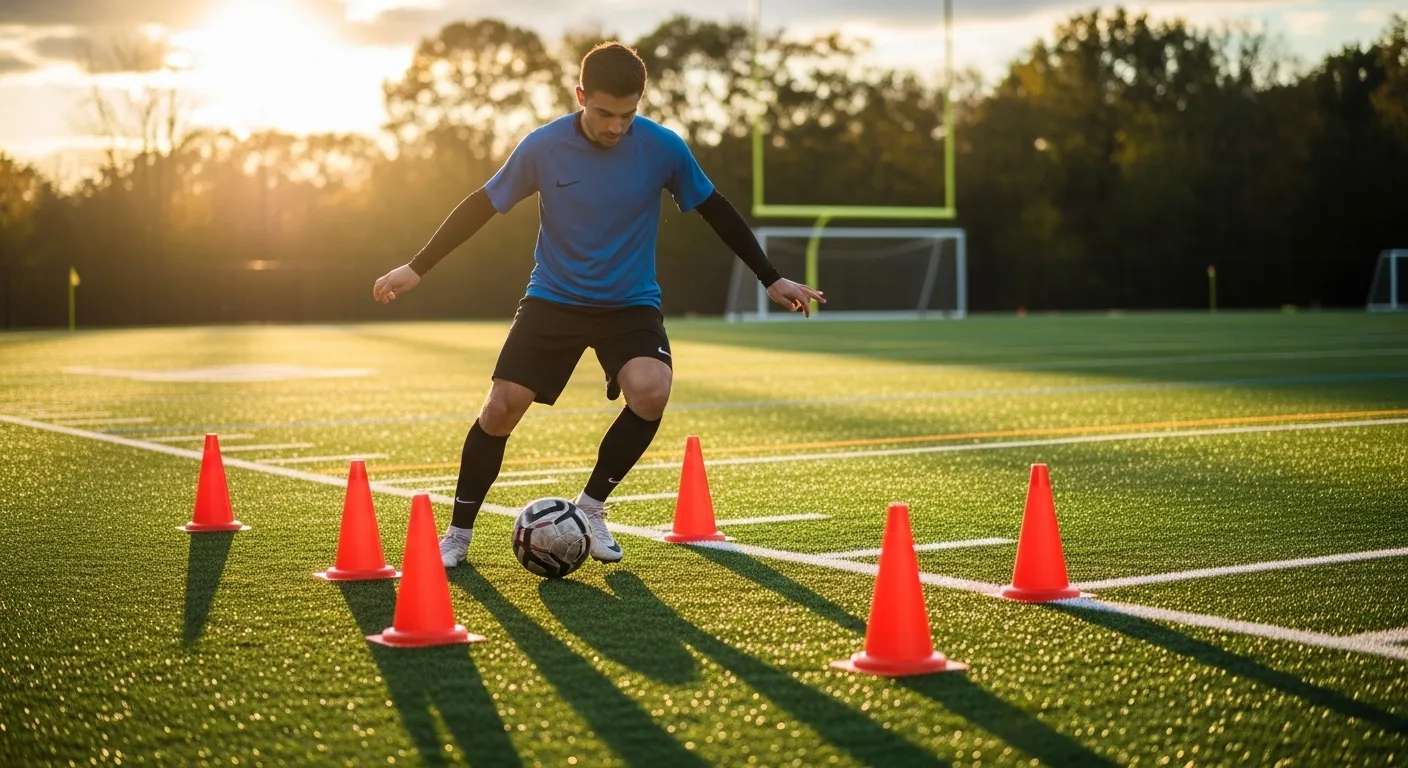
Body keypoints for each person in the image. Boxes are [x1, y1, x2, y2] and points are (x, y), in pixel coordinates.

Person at [372, 42, 824, 568]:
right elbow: (482, 205)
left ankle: (590, 508)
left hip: (629, 303)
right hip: (554, 299)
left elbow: (715, 209)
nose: (615, 126)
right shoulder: (543, 146)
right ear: (581, 95)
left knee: (651, 392)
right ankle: (458, 535)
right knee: (500, 410)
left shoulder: (663, 147)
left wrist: (769, 277)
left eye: (627, 114)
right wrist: (417, 266)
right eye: (604, 113)